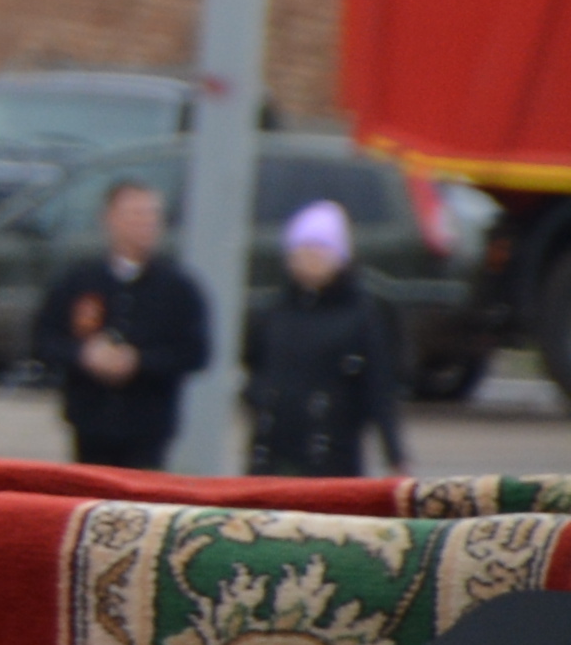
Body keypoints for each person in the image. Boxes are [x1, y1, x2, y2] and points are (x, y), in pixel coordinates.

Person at [33, 175, 214, 472]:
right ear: (110, 219)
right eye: (135, 214)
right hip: (90, 420)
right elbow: (44, 339)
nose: (146, 223)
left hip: (148, 425)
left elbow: (196, 352)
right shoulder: (78, 281)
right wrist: (85, 355)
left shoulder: (178, 287)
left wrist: (138, 362)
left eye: (152, 214)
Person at [241, 198, 414, 480]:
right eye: (302, 249)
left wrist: (395, 456)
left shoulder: (361, 314)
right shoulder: (275, 311)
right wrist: (258, 398)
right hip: (272, 455)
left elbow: (379, 386)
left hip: (332, 456)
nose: (310, 257)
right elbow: (254, 366)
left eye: (320, 249)